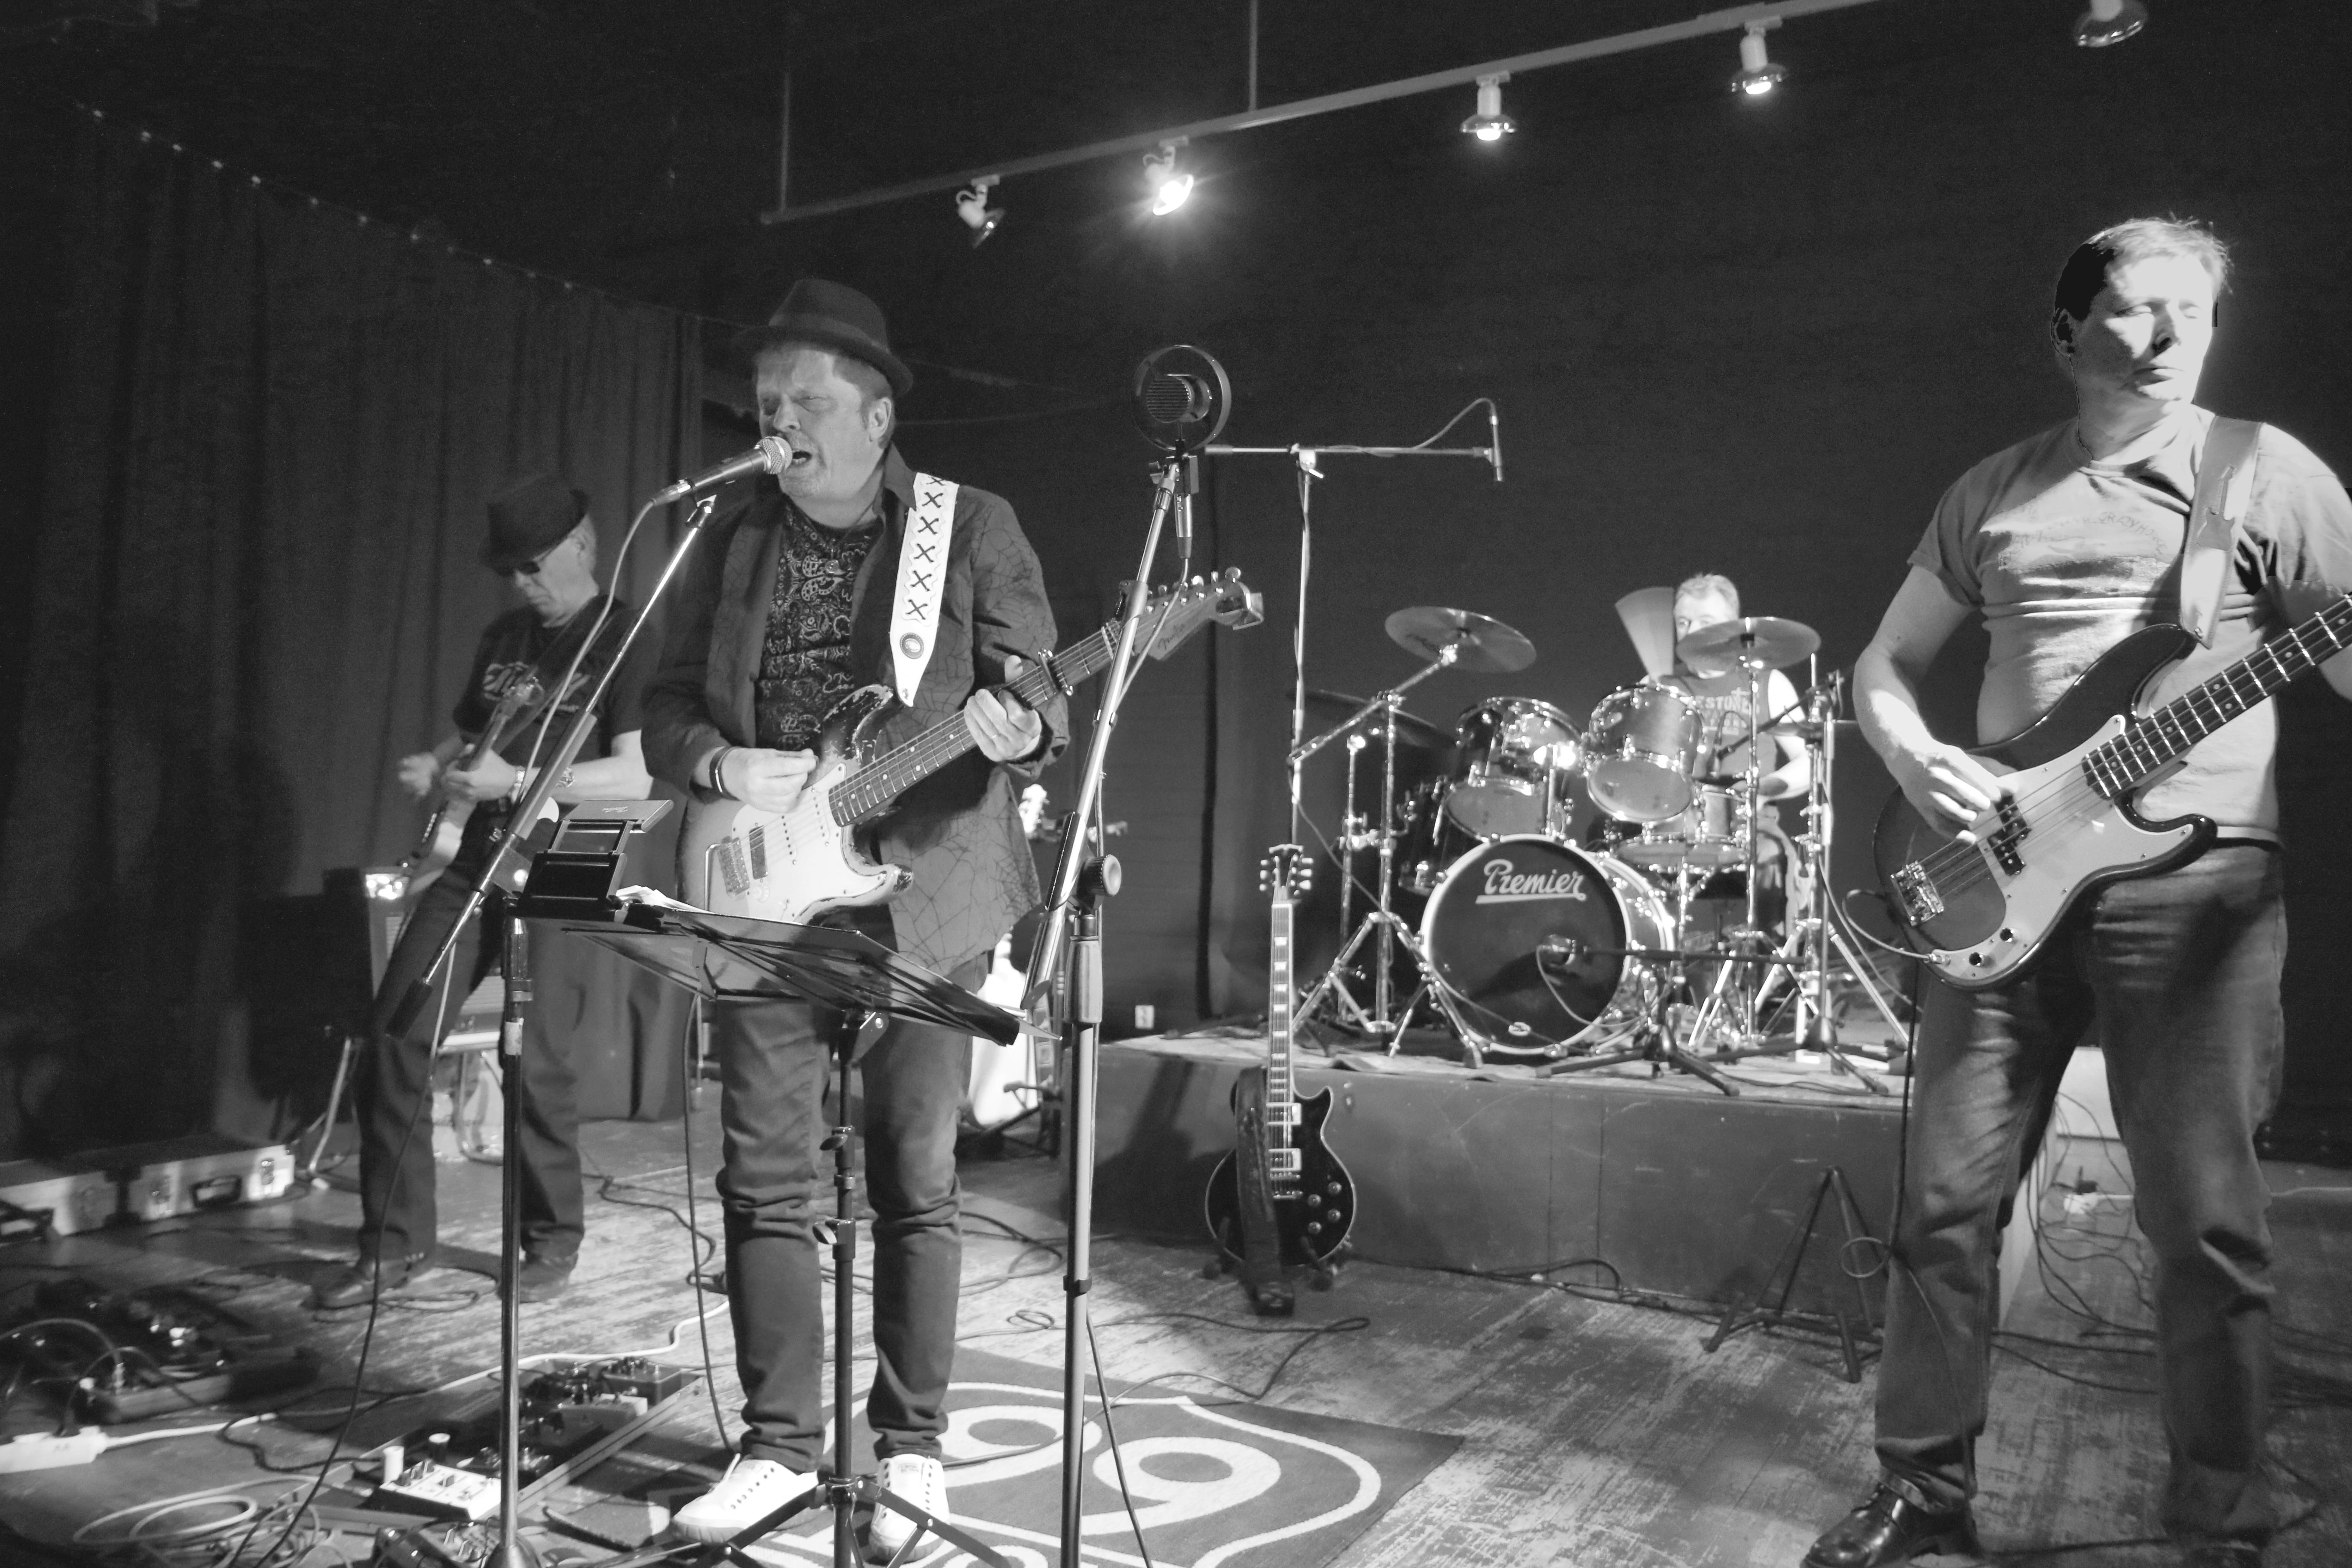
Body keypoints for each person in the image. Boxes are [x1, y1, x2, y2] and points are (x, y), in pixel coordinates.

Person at [1807, 218, 2352, 1568]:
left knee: (2206, 1225)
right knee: (1945, 1211)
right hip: (1998, 877)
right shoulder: (1994, 489)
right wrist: (1917, 757)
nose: (2169, 336)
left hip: (2198, 886)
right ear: (2067, 333)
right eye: (2134, 309)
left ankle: (2221, 1520)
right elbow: (1882, 665)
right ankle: (1923, 1491)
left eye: (2192, 312)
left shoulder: (2264, 472)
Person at [643, 279, 1065, 1555]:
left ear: (878, 418)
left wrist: (1025, 725)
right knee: (763, 1177)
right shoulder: (732, 536)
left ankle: (914, 1450)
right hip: (761, 883)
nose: (780, 423)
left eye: (808, 402)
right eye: (767, 402)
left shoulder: (968, 524)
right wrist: (721, 766)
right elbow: (665, 706)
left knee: (915, 1180)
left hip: (927, 888)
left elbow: (1038, 691)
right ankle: (777, 1449)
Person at [315, 474, 656, 1310]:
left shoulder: (628, 635)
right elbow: (477, 730)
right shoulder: (506, 635)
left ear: (584, 545)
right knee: (396, 1031)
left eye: (534, 566)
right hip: (481, 850)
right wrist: (438, 762)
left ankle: (552, 1240)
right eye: (509, 571)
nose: (521, 583)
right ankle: (396, 1244)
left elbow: (636, 776)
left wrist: (523, 780)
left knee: (536, 1060)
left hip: (570, 852)